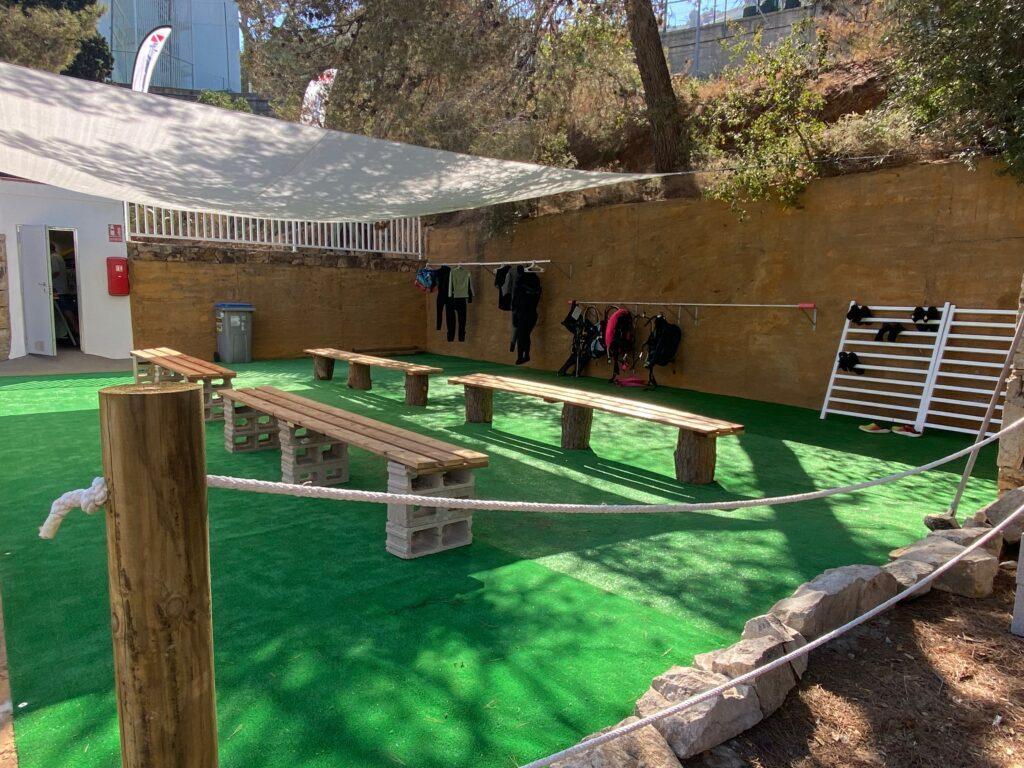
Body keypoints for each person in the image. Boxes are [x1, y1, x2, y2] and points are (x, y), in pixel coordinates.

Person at [50, 242, 79, 340]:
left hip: (58, 289)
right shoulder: (59, 256)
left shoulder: (53, 257)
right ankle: (73, 330)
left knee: (66, 310)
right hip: (63, 288)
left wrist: (47, 278)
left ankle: (75, 329)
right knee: (67, 309)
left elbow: (56, 272)